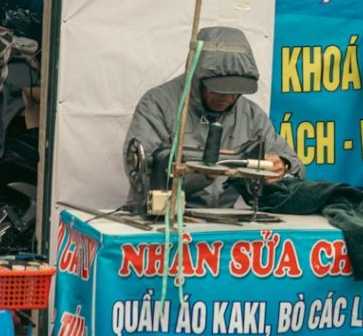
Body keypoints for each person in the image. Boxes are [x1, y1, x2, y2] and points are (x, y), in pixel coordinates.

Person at [124, 26, 304, 208]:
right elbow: (142, 177)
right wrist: (204, 172)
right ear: (197, 78)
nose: (227, 98)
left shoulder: (250, 115)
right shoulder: (157, 105)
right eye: (218, 89)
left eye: (235, 90)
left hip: (221, 217)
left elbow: (295, 165)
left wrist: (284, 164)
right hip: (163, 214)